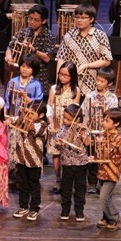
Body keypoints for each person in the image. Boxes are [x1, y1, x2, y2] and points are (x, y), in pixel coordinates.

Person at [56, 3, 112, 97]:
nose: (79, 20)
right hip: (70, 81)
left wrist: (87, 65)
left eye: (83, 18)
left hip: (92, 82)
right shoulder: (69, 35)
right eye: (77, 17)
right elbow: (61, 58)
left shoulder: (100, 35)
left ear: (91, 19)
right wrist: (58, 79)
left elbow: (107, 61)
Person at [81, 67, 118, 194]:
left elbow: (113, 116)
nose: (98, 83)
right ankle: (91, 183)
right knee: (92, 156)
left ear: (109, 83)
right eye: (97, 80)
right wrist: (84, 132)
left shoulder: (112, 98)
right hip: (91, 131)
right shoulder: (90, 95)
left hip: (104, 133)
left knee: (104, 157)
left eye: (102, 81)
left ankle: (103, 182)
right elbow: (84, 113)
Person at [5, 5, 56, 95]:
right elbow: (10, 46)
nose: (31, 22)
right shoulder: (23, 32)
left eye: (35, 20)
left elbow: (47, 58)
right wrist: (8, 56)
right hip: (21, 75)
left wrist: (34, 50)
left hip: (39, 76)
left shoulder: (49, 35)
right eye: (30, 19)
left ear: (44, 21)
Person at [47, 61, 81, 194]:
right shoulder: (54, 89)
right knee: (55, 154)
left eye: (66, 75)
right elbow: (49, 106)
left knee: (66, 153)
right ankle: (58, 179)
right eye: (61, 74)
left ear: (72, 76)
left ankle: (68, 180)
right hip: (55, 125)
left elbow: (75, 110)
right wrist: (50, 121)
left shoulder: (75, 90)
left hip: (67, 126)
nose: (62, 77)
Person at [11, 101, 47, 221]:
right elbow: (14, 122)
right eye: (28, 113)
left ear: (41, 115)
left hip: (34, 161)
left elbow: (33, 130)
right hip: (21, 159)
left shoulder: (42, 125)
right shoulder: (23, 120)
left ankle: (34, 208)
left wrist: (25, 118)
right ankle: (23, 206)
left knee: (34, 185)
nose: (29, 115)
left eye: (32, 113)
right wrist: (22, 114)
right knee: (23, 184)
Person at [56, 104, 90, 222]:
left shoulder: (83, 128)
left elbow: (88, 143)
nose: (65, 121)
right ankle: (65, 209)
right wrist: (58, 143)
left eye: (68, 119)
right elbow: (57, 141)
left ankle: (79, 210)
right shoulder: (62, 129)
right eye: (64, 118)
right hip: (66, 163)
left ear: (77, 119)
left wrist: (83, 134)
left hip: (81, 163)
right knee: (66, 188)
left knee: (80, 188)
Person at [96, 108, 121, 231]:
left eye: (107, 121)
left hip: (111, 172)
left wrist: (100, 144)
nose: (103, 122)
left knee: (103, 197)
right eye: (103, 120)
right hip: (102, 170)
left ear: (116, 124)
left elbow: (107, 153)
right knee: (107, 196)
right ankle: (106, 217)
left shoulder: (118, 138)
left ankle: (114, 217)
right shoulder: (104, 134)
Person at [4, 53, 44, 118]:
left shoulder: (37, 84)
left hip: (28, 118)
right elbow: (6, 102)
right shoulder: (12, 82)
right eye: (23, 66)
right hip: (12, 115)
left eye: (28, 67)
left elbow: (38, 105)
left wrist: (25, 97)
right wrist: (5, 116)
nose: (24, 69)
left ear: (34, 69)